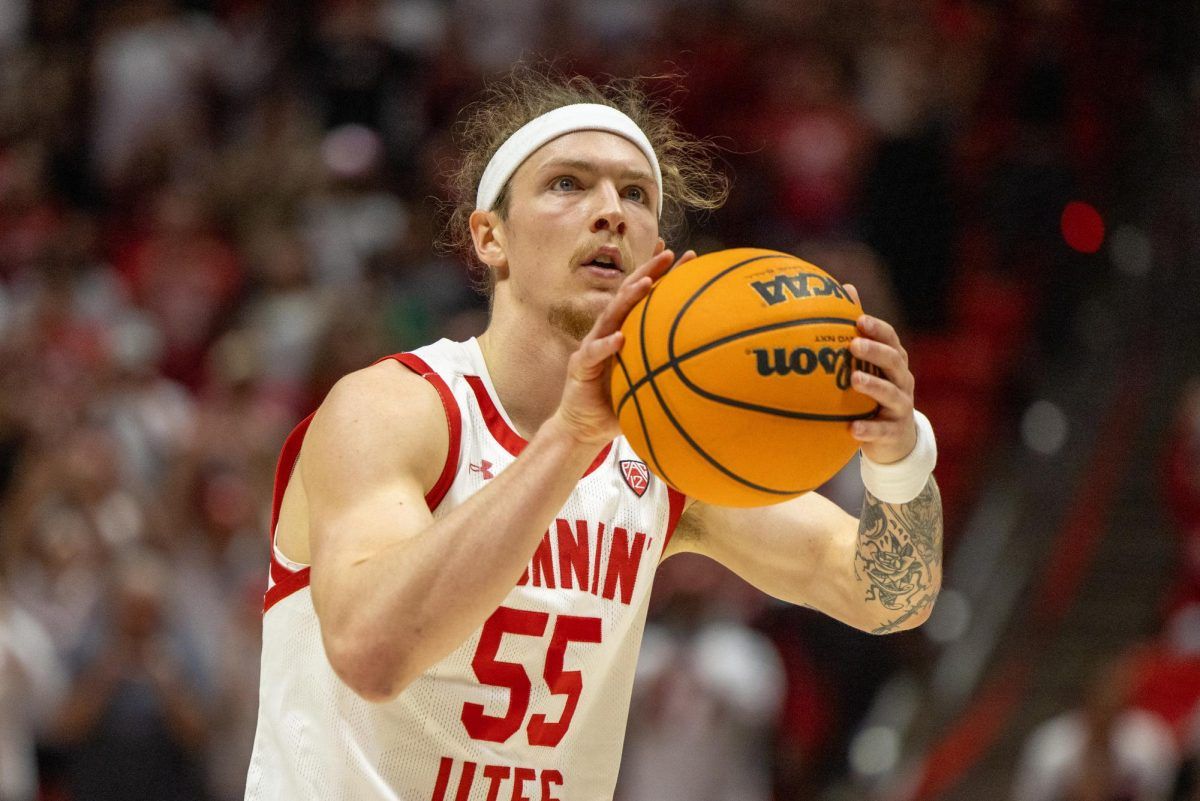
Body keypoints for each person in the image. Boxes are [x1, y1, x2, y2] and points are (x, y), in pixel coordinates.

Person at [244, 66, 943, 801]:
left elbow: (889, 595)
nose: (610, 210)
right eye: (568, 184)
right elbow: (372, 653)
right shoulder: (395, 409)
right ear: (489, 237)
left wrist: (898, 461)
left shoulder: (662, 453)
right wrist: (569, 437)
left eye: (636, 193)